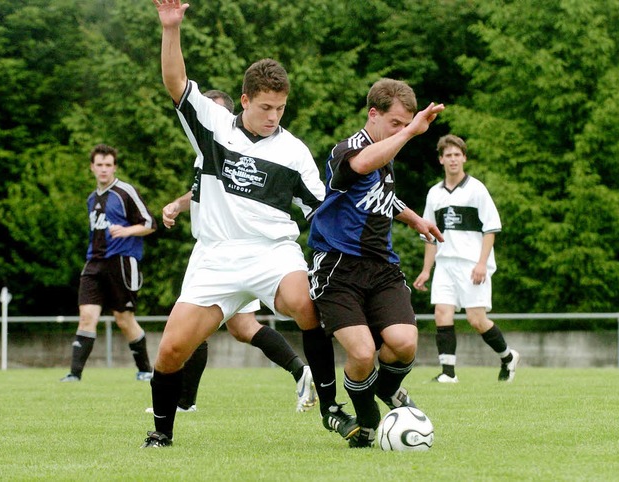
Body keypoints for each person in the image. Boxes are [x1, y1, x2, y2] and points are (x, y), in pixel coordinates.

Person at [144, 0, 346, 448]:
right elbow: (175, 82)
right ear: (245, 100)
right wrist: (171, 28)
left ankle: (331, 407)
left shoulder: (294, 151)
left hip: (272, 252)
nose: (274, 116)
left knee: (305, 303)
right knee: (171, 350)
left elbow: (325, 208)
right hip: (215, 255)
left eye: (281, 108)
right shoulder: (214, 127)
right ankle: (161, 434)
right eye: (267, 107)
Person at [149, 89, 317, 414]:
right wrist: (178, 205)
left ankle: (184, 402)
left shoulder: (240, 146)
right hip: (218, 251)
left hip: (236, 252)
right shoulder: (205, 154)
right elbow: (198, 190)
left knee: (196, 328)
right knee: (241, 328)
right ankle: (300, 370)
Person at [308, 78, 445, 448]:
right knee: (363, 352)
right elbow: (362, 165)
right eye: (396, 123)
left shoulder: (386, 158)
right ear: (374, 114)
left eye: (406, 124)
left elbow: (380, 196)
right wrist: (412, 133)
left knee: (404, 342)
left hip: (381, 266)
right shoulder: (348, 149)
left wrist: (415, 218)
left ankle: (387, 389)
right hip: (338, 267)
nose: (402, 130)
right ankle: (367, 419)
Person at [413, 134, 520, 383]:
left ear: (464, 158)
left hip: (472, 264)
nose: (453, 159)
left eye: (457, 155)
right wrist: (426, 270)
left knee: (476, 320)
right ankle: (448, 373)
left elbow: (491, 228)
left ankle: (507, 357)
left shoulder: (476, 189)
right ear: (441, 160)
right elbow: (430, 236)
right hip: (445, 264)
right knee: (442, 312)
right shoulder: (434, 194)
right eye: (448, 155)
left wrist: (482, 263)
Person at [60, 144, 157, 382]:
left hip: (121, 263)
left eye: (108, 165)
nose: (104, 169)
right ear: (92, 167)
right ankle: (74, 375)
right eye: (99, 165)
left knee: (124, 320)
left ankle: (145, 370)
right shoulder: (91, 198)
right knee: (87, 317)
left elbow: (150, 224)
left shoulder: (125, 192)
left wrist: (125, 231)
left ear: (114, 167)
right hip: (94, 264)